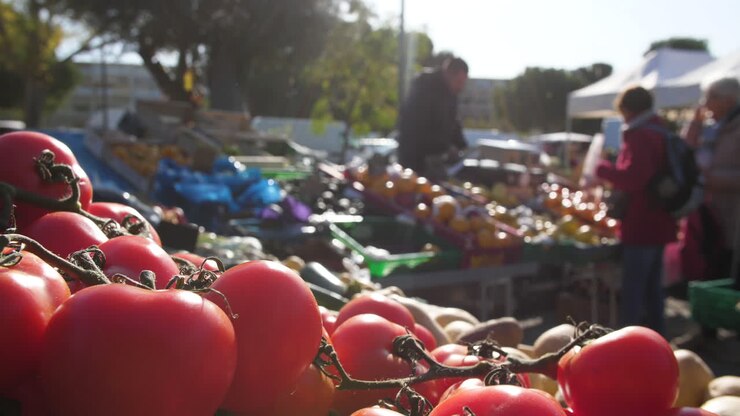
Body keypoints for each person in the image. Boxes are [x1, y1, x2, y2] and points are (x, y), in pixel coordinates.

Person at [595, 86, 678, 334]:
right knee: (653, 289)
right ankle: (657, 339)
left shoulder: (641, 134)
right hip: (661, 220)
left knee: (634, 290)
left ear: (627, 109)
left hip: (642, 223)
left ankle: (628, 342)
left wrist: (602, 169)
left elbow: (635, 178)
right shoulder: (661, 130)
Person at [688, 77, 740, 287]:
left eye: (710, 98)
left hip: (732, 219)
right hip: (712, 216)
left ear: (728, 100)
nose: (704, 103)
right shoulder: (713, 126)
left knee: (725, 275)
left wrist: (711, 180)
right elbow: (686, 151)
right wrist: (695, 124)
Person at [397, 57, 469, 180]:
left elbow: (453, 122)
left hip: (436, 159)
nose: (460, 87)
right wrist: (446, 146)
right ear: (448, 73)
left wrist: (461, 145)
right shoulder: (424, 84)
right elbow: (417, 125)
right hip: (415, 159)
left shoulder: (452, 94)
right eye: (458, 81)